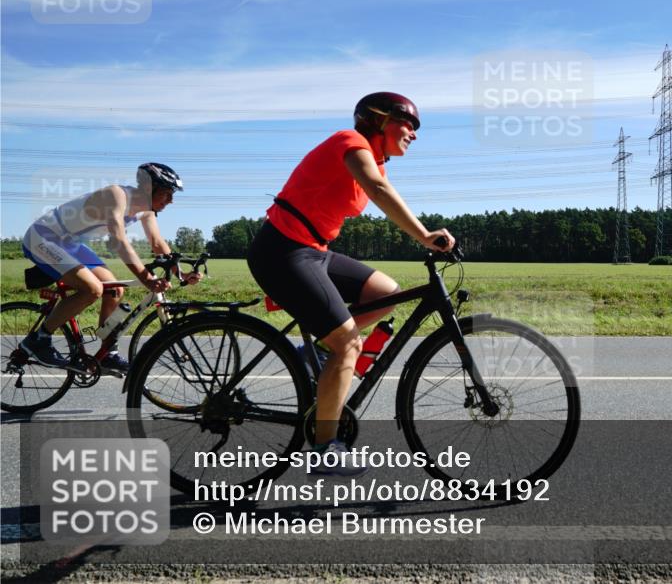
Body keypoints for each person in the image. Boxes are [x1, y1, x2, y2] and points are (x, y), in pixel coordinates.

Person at [247, 92, 455, 476]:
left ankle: (320, 355)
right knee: (349, 343)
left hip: (312, 250)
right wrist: (425, 235)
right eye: (407, 123)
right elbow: (378, 191)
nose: (414, 133)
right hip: (281, 250)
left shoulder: (375, 161)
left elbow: (380, 187)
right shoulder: (350, 142)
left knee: (386, 293)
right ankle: (326, 448)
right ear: (378, 120)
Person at [20, 163, 202, 376]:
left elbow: (157, 243)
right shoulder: (116, 195)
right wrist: (146, 278)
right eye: (166, 193)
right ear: (148, 188)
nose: (170, 200)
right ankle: (39, 340)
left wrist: (181, 274)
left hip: (71, 244)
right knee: (92, 289)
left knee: (114, 289)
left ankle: (107, 354)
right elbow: (119, 241)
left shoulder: (147, 211)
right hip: (44, 237)